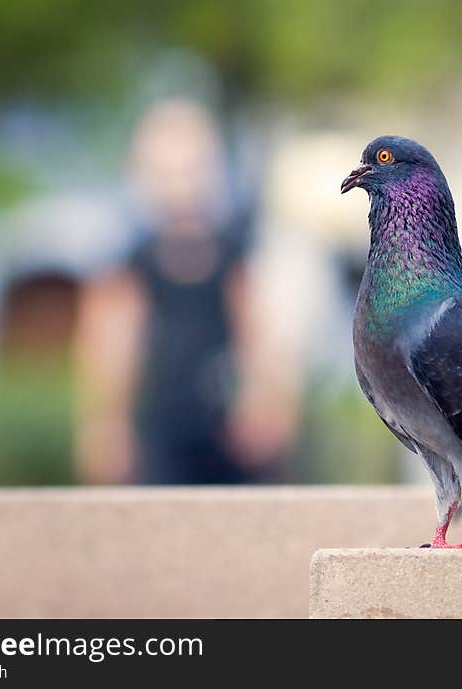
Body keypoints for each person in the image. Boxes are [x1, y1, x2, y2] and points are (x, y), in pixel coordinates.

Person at [74, 100, 298, 484]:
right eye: (165, 172)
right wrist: (105, 423)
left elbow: (257, 333)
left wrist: (265, 395)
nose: (179, 184)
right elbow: (111, 346)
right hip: (159, 427)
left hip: (226, 427)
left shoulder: (234, 256)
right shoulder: (131, 264)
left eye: (190, 170)